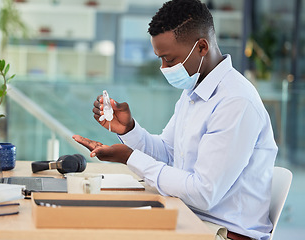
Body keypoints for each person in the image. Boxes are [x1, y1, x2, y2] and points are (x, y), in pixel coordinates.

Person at [73, 0, 278, 239]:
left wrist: (130, 157)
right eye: (160, 59)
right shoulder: (193, 91)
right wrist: (128, 130)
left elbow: (203, 193)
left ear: (202, 47)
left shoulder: (236, 102)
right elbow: (168, 153)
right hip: (188, 217)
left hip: (223, 232)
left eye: (169, 60)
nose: (164, 67)